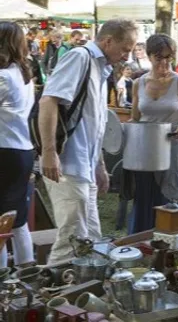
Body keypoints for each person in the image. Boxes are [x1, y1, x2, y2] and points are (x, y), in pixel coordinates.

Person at [39, 19, 137, 264]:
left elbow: (94, 124)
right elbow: (48, 101)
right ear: (107, 41)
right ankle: (56, 294)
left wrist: (100, 165)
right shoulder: (80, 58)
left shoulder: (100, 67)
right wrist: (49, 152)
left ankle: (82, 290)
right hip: (68, 163)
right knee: (71, 239)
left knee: (90, 238)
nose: (127, 56)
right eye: (125, 49)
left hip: (85, 164)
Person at [128, 33, 178, 233]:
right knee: (147, 201)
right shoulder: (138, 84)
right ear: (149, 57)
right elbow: (135, 119)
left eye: (169, 57)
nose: (164, 62)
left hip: (173, 150)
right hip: (146, 152)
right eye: (159, 57)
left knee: (173, 201)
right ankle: (144, 243)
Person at [0, 22, 35, 268]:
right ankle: (27, 273)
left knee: (2, 220)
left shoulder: (3, 77)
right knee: (18, 219)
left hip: (5, 151)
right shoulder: (25, 75)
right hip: (23, 149)